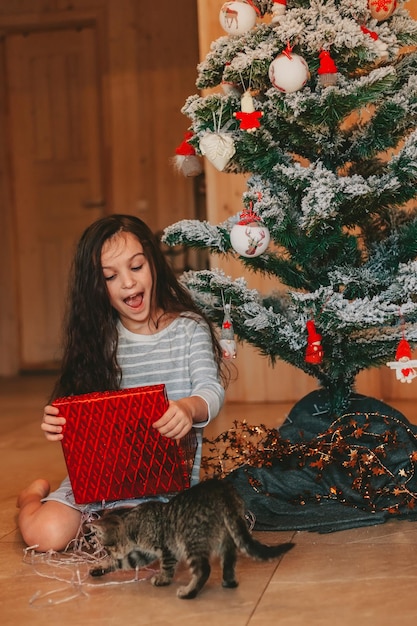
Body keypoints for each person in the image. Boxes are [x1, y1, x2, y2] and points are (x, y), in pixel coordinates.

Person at [17, 214, 227, 552]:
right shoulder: (98, 339)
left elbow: (211, 390)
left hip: (164, 489)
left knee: (150, 543)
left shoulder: (189, 329)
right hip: (100, 483)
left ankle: (109, 525)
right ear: (97, 288)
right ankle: (30, 498)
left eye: (136, 267)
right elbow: (76, 407)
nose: (128, 283)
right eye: (111, 276)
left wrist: (188, 408)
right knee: (47, 535)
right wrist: (59, 420)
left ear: (154, 265)